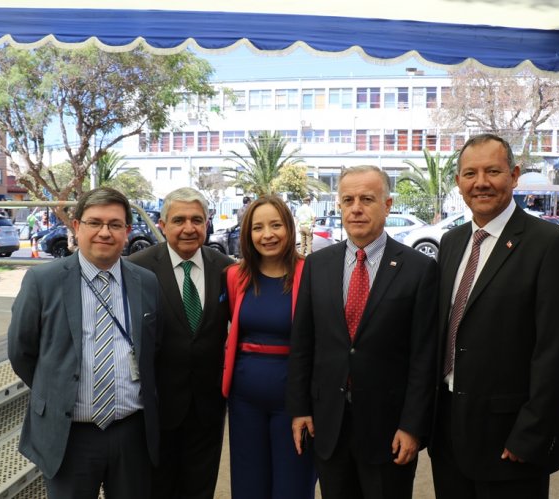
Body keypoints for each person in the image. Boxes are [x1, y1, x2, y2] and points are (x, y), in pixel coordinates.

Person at [429, 134, 559, 498]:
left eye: (493, 171)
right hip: (449, 431)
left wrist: (530, 434)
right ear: (458, 182)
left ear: (514, 175)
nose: (480, 182)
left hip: (511, 438)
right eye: (470, 173)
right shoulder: (452, 243)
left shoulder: (552, 246)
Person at [286, 165, 439, 499]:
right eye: (348, 199)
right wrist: (299, 408)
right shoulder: (316, 265)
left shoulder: (419, 269)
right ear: (338, 206)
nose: (356, 208)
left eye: (367, 199)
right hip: (329, 424)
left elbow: (424, 357)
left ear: (387, 204)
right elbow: (302, 344)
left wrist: (412, 425)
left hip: (388, 429)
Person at [7, 187, 161, 498]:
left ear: (127, 232)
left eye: (115, 224)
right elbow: (21, 351)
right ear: (77, 226)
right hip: (69, 436)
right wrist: (56, 391)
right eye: (95, 222)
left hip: (132, 432)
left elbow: (154, 349)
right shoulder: (43, 282)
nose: (105, 232)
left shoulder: (145, 282)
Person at [128, 187, 233, 499]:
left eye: (197, 220)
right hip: (155, 409)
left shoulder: (226, 268)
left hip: (207, 409)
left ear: (207, 223)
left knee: (199, 489)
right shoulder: (136, 268)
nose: (189, 228)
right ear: (163, 225)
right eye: (179, 220)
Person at [223, 195, 316, 499]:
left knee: (292, 488)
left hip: (295, 404)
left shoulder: (311, 273)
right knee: (249, 487)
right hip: (244, 402)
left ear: (289, 228)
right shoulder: (236, 276)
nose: (267, 235)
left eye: (276, 225)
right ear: (247, 234)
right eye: (258, 227)